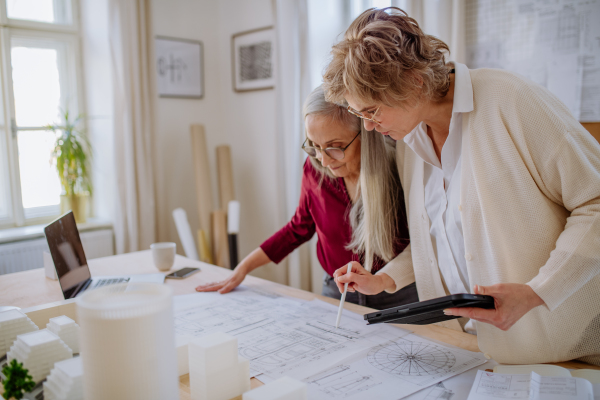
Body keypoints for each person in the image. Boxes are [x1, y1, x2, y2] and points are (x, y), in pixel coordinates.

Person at [324, 7, 600, 365]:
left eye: (372, 111)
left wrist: (537, 292)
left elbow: (595, 201)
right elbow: (436, 239)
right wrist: (384, 280)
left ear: (414, 82)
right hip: (471, 352)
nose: (371, 126)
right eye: (361, 115)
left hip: (560, 352)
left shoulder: (512, 101)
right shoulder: (410, 140)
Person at [195, 86, 418, 310]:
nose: (324, 160)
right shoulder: (314, 171)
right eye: (315, 146)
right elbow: (298, 228)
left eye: (335, 147)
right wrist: (243, 268)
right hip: (337, 292)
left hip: (396, 294)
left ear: (366, 134)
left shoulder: (399, 167)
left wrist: (382, 281)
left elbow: (422, 243)